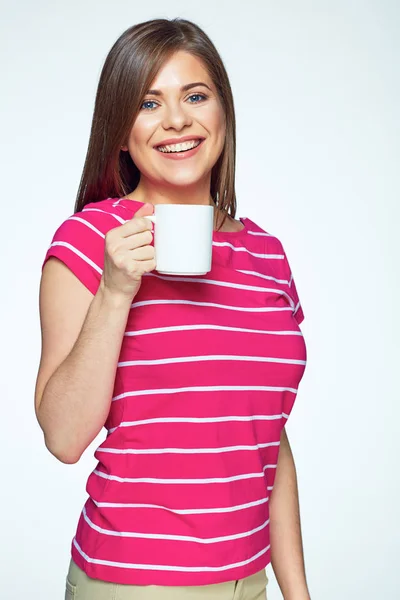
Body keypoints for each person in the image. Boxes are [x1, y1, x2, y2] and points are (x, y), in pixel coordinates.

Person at [34, 18, 310, 600]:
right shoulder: (88, 242)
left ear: (222, 113)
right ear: (121, 131)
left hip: (247, 582)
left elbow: (266, 438)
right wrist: (114, 290)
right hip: (136, 583)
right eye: (148, 103)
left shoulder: (267, 254)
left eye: (195, 96)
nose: (177, 119)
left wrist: (296, 591)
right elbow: (62, 437)